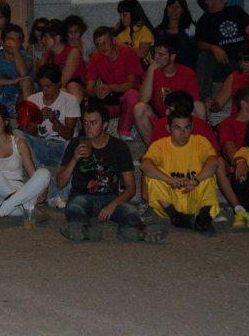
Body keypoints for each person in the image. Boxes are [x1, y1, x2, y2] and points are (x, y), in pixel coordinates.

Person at [56, 104, 167, 243]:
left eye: (93, 123)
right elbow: (60, 183)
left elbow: (131, 188)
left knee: (130, 210)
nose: (88, 127)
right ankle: (83, 230)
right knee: (73, 207)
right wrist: (74, 159)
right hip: (82, 196)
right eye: (85, 123)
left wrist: (114, 204)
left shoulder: (119, 147)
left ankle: (136, 231)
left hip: (110, 197)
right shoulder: (75, 144)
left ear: (105, 125)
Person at [140, 110, 228, 234]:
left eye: (186, 128)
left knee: (207, 175)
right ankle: (175, 216)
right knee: (153, 176)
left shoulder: (200, 142)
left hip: (194, 193)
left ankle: (204, 217)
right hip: (170, 198)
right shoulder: (159, 145)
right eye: (177, 128)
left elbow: (214, 162)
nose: (183, 133)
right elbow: (144, 165)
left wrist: (196, 180)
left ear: (191, 127)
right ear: (168, 128)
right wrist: (169, 180)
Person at [16, 64, 81, 208]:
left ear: (58, 84)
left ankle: (56, 193)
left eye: (48, 86)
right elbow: (30, 132)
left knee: (74, 144)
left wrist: (54, 120)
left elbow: (69, 135)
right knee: (17, 134)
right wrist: (34, 121)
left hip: (61, 146)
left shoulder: (70, 100)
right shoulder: (33, 99)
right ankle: (40, 176)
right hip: (40, 144)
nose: (45, 90)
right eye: (42, 86)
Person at [0, 105, 50, 223]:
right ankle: (28, 207)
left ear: (6, 122)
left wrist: (40, 190)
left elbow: (33, 175)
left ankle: (1, 211)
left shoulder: (19, 143)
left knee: (44, 172)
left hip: (18, 191)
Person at [133, 39, 201, 145]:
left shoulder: (188, 74)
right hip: (160, 117)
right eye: (155, 53)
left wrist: (175, 104)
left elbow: (193, 105)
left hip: (181, 118)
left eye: (161, 54)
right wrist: (150, 71)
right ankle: (153, 149)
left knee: (200, 107)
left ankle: (195, 146)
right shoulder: (152, 72)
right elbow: (143, 99)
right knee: (139, 108)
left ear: (172, 57)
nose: (155, 57)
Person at [194, 0, 249, 100]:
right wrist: (213, 48)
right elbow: (199, 43)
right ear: (207, 0)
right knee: (204, 57)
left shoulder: (236, 10)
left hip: (244, 58)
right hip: (223, 63)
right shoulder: (204, 21)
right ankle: (205, 99)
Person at [85, 26, 143, 141]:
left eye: (105, 43)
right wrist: (97, 92)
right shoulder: (96, 57)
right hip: (110, 99)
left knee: (132, 95)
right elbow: (89, 88)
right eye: (98, 44)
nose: (102, 47)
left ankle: (123, 132)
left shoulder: (128, 53)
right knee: (87, 102)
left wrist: (110, 88)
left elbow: (130, 85)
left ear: (113, 40)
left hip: (128, 97)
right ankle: (90, 134)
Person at [0, 24, 33, 116]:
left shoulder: (27, 57)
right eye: (11, 39)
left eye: (18, 40)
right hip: (2, 98)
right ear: (3, 41)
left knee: (26, 82)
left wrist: (15, 50)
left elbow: (23, 73)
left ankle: (26, 119)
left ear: (22, 42)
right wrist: (12, 81)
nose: (14, 43)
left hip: (20, 98)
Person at [207, 42, 249, 114]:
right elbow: (218, 105)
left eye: (246, 61)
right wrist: (210, 105)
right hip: (239, 117)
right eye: (240, 60)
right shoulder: (234, 76)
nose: (242, 64)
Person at [42, 19, 86, 102]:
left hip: (74, 86)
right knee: (60, 92)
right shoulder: (47, 55)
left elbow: (63, 81)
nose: (43, 41)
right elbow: (42, 80)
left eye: (46, 38)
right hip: (57, 88)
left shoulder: (73, 52)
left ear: (57, 38)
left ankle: (72, 110)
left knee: (70, 88)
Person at [153, 0, 196, 68]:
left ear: (183, 10)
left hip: (186, 68)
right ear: (167, 9)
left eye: (177, 7)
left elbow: (194, 52)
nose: (173, 10)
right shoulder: (160, 30)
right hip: (165, 69)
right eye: (171, 6)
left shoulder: (190, 28)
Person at [115, 0, 155, 64]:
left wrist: (121, 45)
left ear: (134, 14)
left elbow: (142, 54)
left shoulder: (145, 31)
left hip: (141, 65)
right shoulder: (120, 27)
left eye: (125, 15)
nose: (121, 18)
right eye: (120, 14)